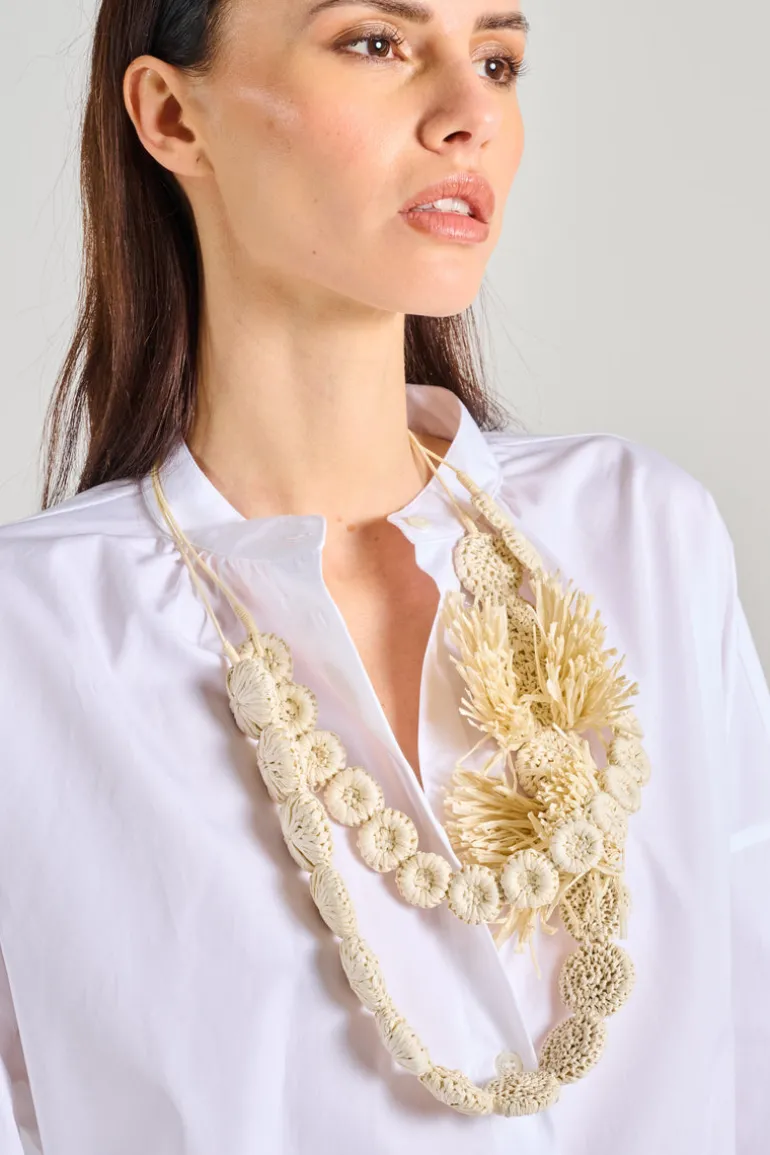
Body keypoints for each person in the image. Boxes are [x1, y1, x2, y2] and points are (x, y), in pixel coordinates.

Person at [1, 1, 768, 1152]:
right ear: (171, 116)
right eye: (375, 42)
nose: (470, 115)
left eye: (496, 60)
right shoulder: (29, 642)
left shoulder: (642, 535)